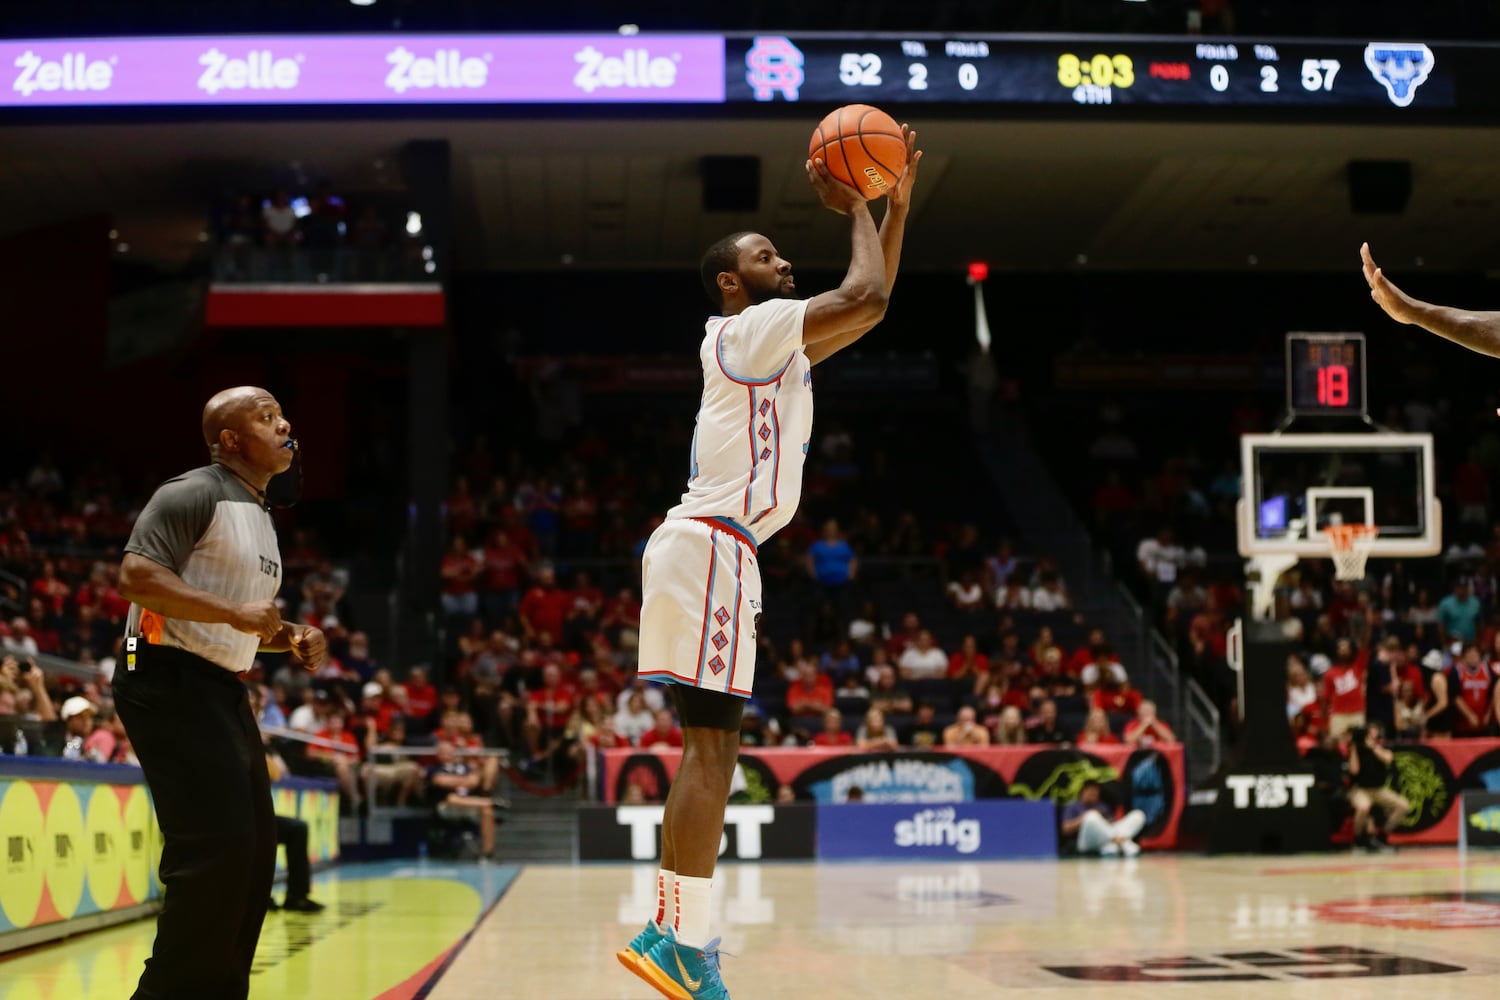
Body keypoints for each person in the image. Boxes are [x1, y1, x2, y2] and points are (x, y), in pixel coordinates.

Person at [621, 129, 921, 1000]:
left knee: (706, 751)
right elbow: (861, 288)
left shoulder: (771, 345)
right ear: (730, 281)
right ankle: (686, 942)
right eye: (766, 254)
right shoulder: (749, 330)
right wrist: (856, 199)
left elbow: (871, 305)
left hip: (712, 549)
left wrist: (895, 204)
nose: (783, 262)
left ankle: (670, 932)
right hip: (714, 545)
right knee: (714, 754)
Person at [112, 386, 327, 1000]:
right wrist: (238, 615)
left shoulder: (259, 512)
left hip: (216, 685)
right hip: (164, 677)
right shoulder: (193, 492)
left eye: (282, 412)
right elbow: (137, 577)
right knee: (215, 853)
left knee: (254, 855)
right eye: (266, 417)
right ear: (231, 441)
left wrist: (291, 637)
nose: (284, 423)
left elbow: (235, 616)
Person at [1347, 723, 1409, 853]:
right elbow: (1354, 770)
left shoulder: (1379, 747)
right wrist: (1353, 747)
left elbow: (1388, 758)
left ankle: (1382, 836)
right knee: (1364, 806)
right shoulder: (1356, 749)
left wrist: (1373, 747)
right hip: (1360, 789)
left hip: (1378, 789)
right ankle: (1358, 839)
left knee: (1403, 805)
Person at [1060, 779, 1146, 857]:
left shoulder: (1103, 806)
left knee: (1138, 815)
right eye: (1091, 791)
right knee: (1091, 816)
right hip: (1086, 841)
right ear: (1083, 791)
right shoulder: (1073, 806)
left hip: (1104, 839)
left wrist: (1103, 823)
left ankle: (1114, 842)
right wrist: (1084, 819)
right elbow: (1065, 829)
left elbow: (1112, 824)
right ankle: (1123, 842)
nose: (1094, 794)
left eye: (1096, 791)